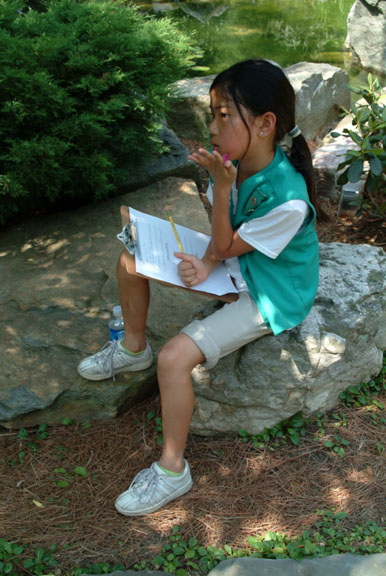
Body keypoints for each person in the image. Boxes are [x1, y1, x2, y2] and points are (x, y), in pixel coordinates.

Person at [78, 58, 321, 516]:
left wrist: (214, 249)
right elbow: (223, 240)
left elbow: (226, 243)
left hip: (272, 293)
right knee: (132, 257)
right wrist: (208, 258)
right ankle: (132, 349)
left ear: (266, 124)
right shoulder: (233, 164)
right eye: (212, 114)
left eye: (223, 115)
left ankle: (173, 470)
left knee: (175, 358)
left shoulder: (288, 200)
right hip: (238, 262)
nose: (211, 126)